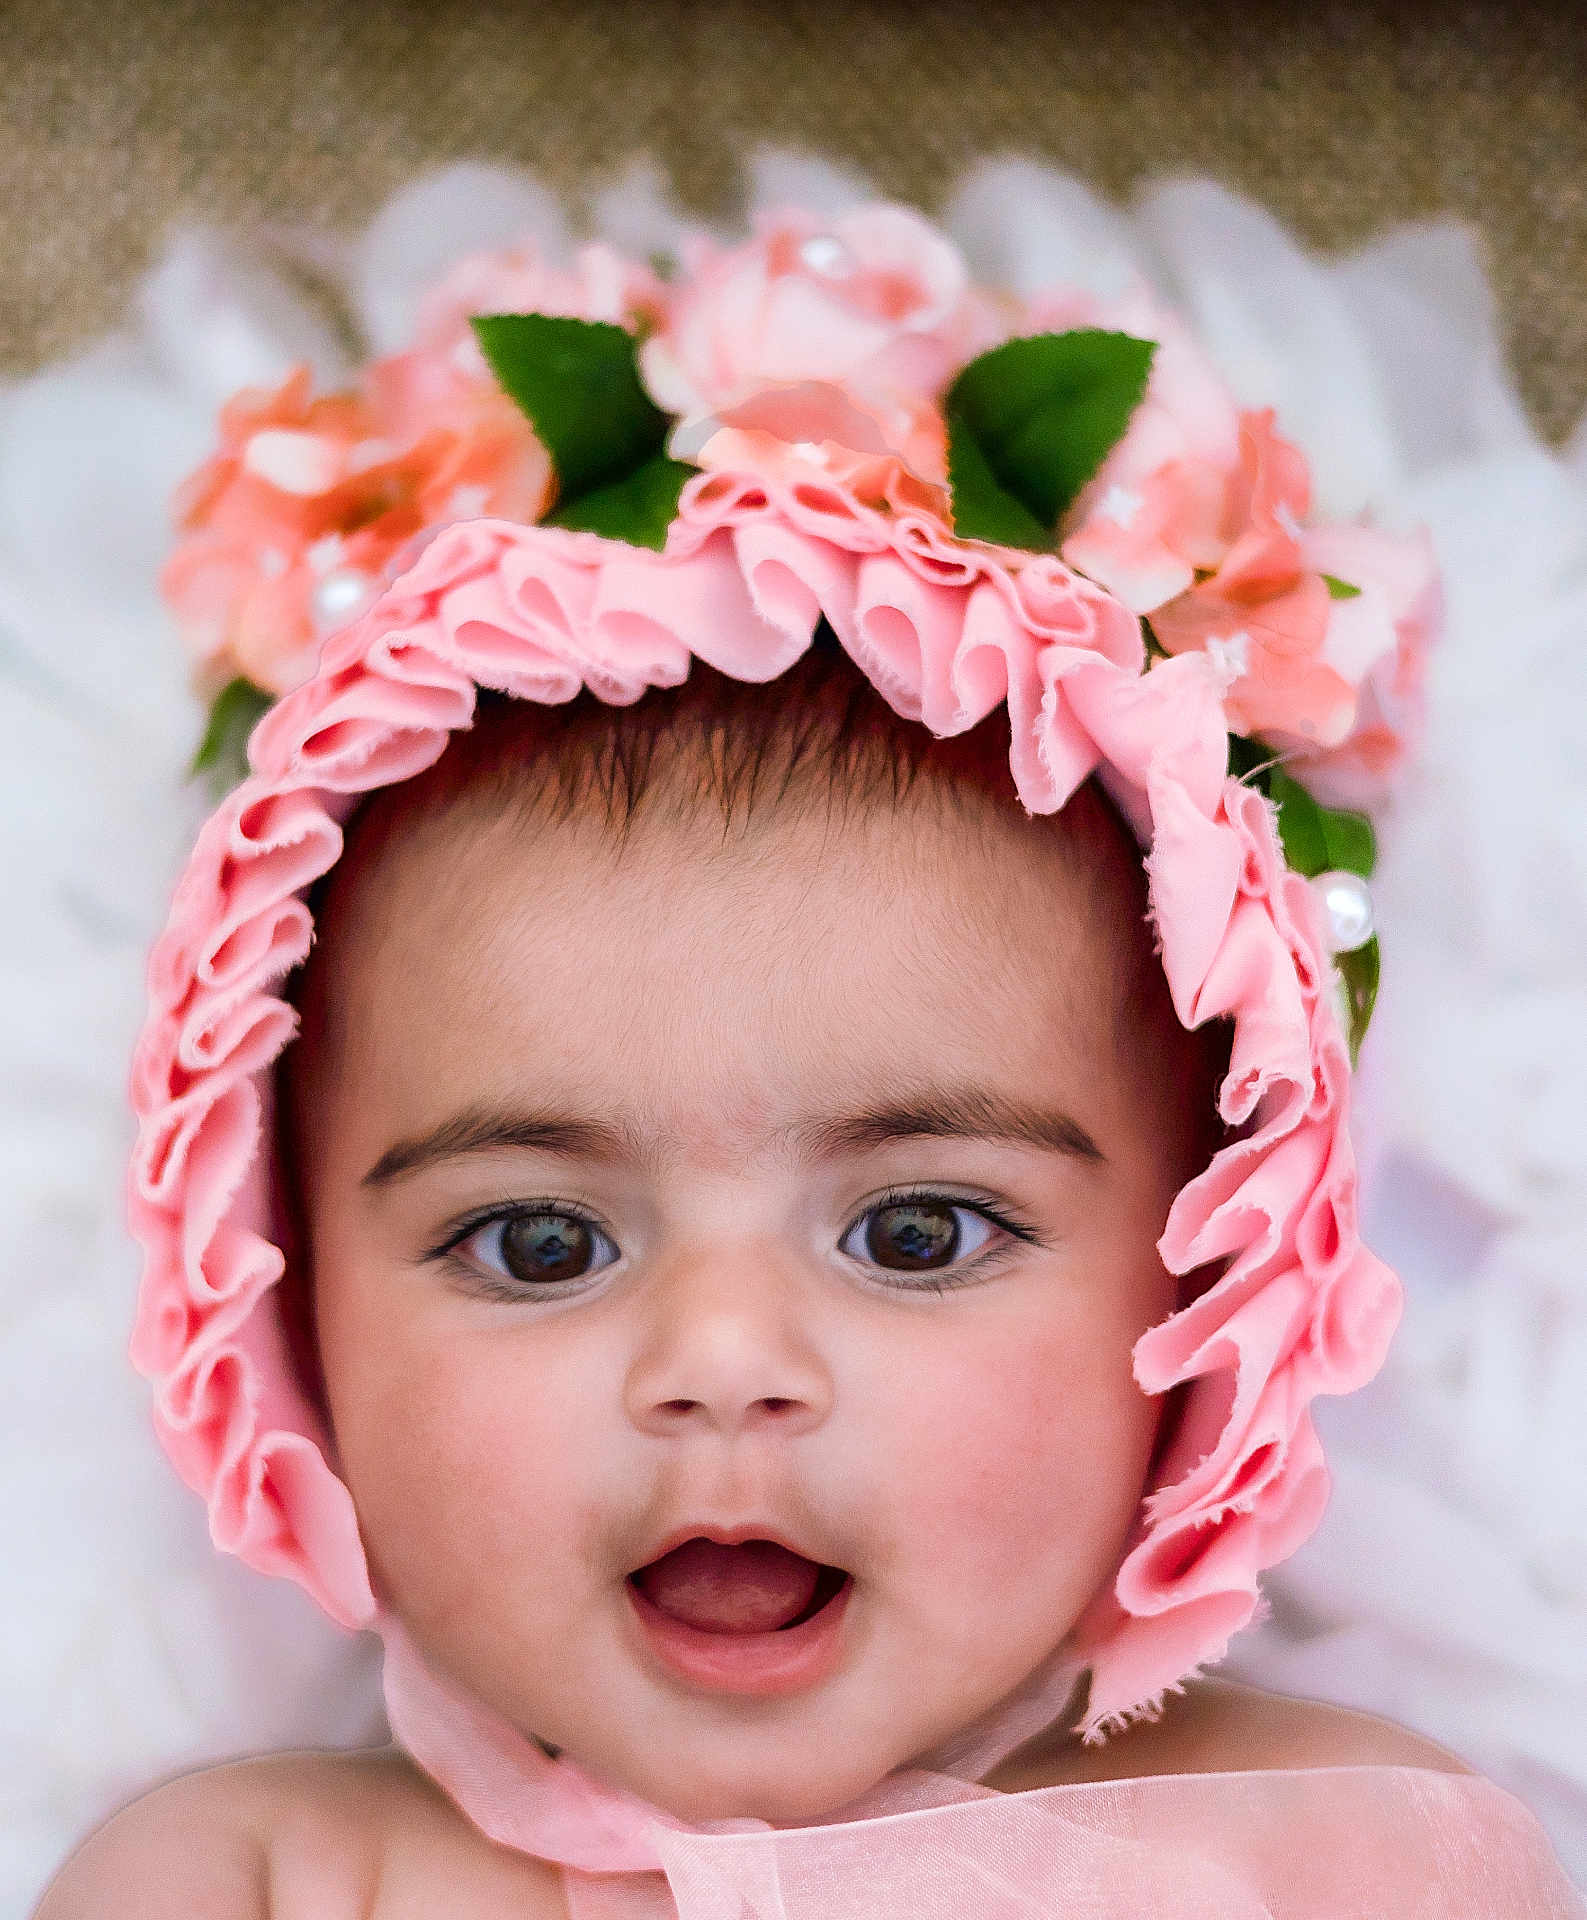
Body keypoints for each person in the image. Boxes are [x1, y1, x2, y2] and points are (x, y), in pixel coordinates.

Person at [33, 199, 1584, 1917]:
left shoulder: (1342, 1860)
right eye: (539, 1241)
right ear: (281, 1309)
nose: (721, 1362)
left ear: (1206, 1306)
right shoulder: (250, 1884)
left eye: (918, 1230)